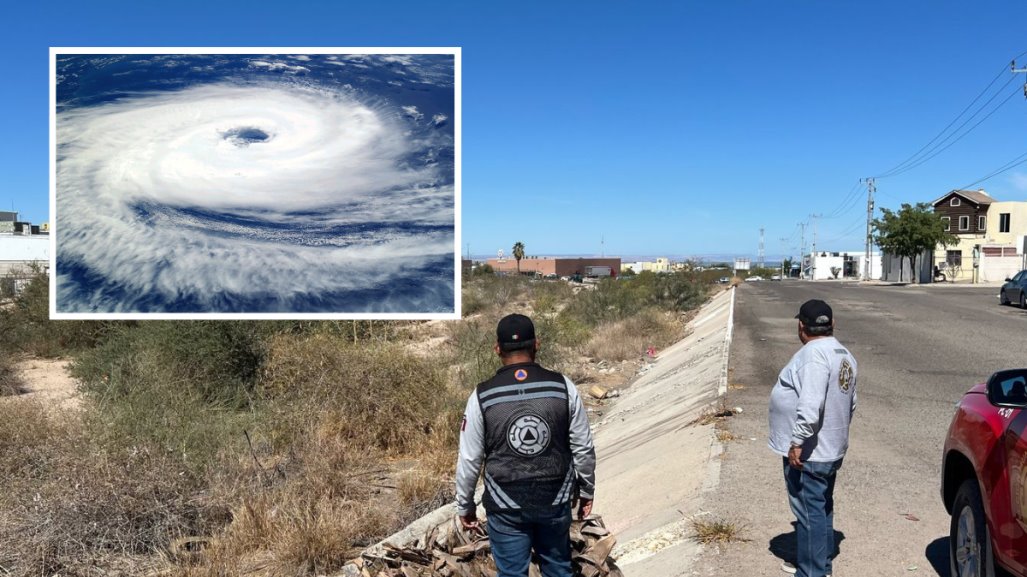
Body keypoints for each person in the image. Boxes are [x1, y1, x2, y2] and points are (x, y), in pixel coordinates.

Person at [455, 313, 596, 577]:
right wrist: (587, 488)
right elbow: (583, 447)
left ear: (497, 349)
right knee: (558, 570)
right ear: (537, 344)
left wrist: (465, 505)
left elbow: (469, 459)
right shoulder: (562, 386)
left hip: (505, 504)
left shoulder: (482, 395)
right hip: (555, 498)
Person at [769, 299, 857, 577]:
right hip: (829, 447)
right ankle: (821, 566)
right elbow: (850, 403)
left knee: (809, 513)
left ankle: (812, 572)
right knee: (820, 509)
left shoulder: (813, 355)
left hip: (810, 452)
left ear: (801, 326)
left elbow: (810, 404)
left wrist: (797, 441)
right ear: (832, 324)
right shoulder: (843, 354)